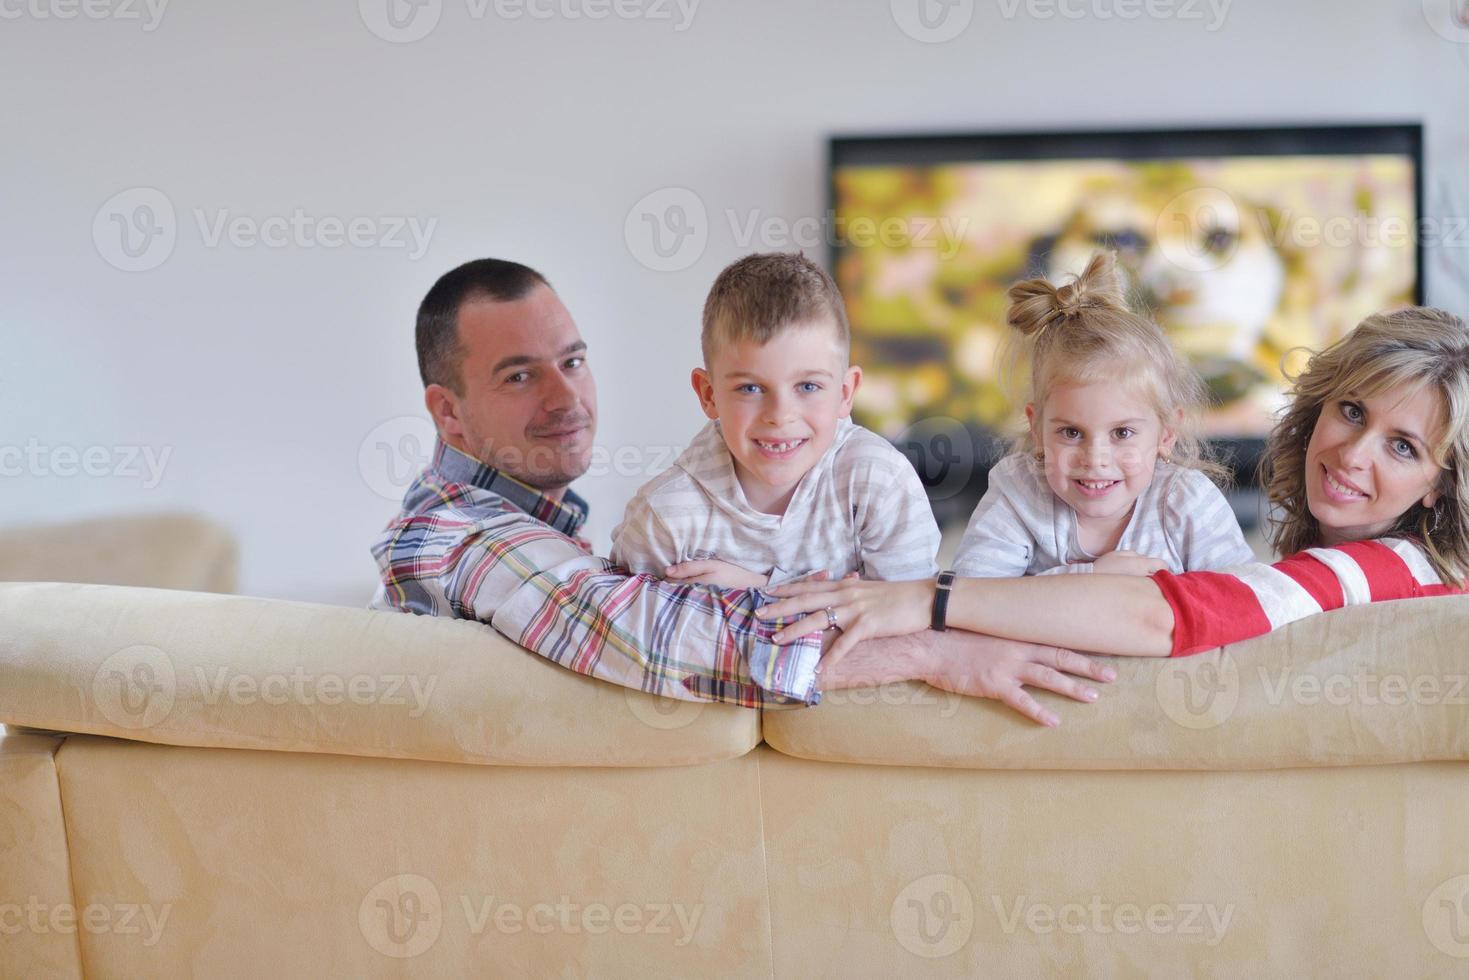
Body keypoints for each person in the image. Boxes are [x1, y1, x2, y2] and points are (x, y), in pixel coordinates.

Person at [370, 258, 1116, 724]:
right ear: (447, 413)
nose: (565, 397)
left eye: (571, 360)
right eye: (519, 374)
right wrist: (941, 655)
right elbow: (656, 632)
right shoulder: (462, 537)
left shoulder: (525, 526)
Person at [759, 306, 1469, 663]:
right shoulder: (1019, 490)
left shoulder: (1396, 570)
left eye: (1402, 446)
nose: (1350, 453)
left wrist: (924, 599)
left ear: (1440, 485)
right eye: (1350, 412)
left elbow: (1173, 616)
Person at [611, 253, 939, 588]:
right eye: (750, 388)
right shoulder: (666, 518)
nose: (780, 415)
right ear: (709, 394)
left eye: (808, 386)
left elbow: (912, 624)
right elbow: (620, 628)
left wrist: (759, 589)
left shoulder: (879, 482)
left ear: (845, 392)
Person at [954, 252, 1254, 578]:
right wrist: (1095, 578)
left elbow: (1243, 600)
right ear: (1037, 428)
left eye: (1122, 433)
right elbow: (968, 598)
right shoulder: (1020, 492)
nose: (1095, 459)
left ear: (1166, 435)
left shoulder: (1186, 502)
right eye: (1071, 433)